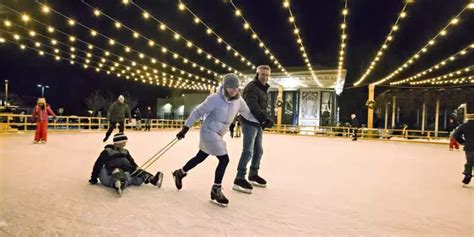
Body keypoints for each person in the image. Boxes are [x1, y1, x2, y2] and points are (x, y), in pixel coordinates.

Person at [171, 73, 257, 207]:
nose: (234, 91)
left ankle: (180, 172)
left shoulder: (239, 100)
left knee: (200, 157)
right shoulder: (215, 99)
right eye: (231, 88)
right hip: (208, 131)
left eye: (236, 88)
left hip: (219, 133)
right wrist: (185, 128)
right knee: (224, 159)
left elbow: (248, 114)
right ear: (224, 86)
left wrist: (261, 121)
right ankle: (216, 189)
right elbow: (197, 112)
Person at [233, 65, 274, 194]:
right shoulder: (252, 88)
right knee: (248, 151)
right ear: (257, 74)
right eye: (262, 74)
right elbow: (253, 106)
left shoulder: (263, 89)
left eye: (267, 75)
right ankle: (239, 178)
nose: (265, 77)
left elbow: (262, 107)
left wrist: (265, 118)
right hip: (249, 122)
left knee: (259, 150)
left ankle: (253, 174)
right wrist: (265, 118)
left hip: (257, 123)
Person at [89, 133, 164, 196]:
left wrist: (136, 167)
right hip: (113, 168)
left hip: (127, 168)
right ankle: (118, 184)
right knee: (117, 171)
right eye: (123, 142)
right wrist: (94, 178)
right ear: (118, 142)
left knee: (138, 171)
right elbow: (98, 164)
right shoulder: (107, 151)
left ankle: (153, 179)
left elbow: (131, 161)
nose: (125, 143)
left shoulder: (125, 151)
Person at [453, 114, 474, 186]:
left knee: (469, 162)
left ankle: (467, 175)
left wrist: (462, 142)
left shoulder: (464, 126)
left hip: (469, 147)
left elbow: (455, 135)